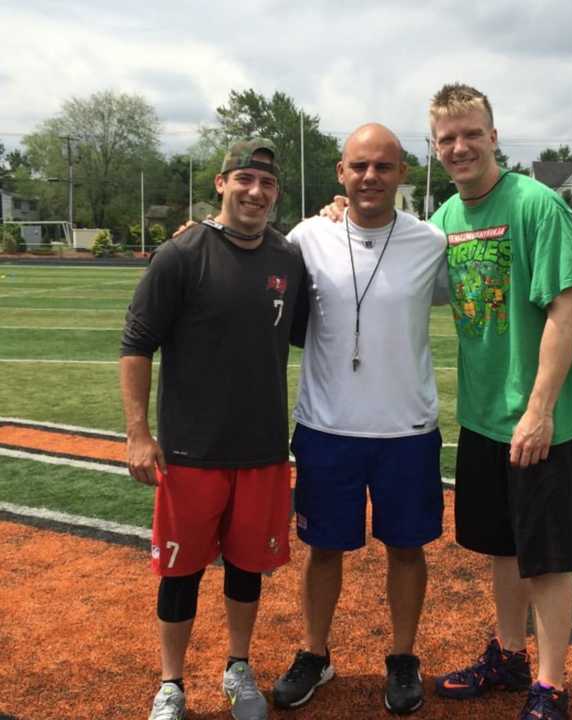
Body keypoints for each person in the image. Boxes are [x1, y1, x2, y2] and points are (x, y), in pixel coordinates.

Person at [119, 138, 308, 720]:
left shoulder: (287, 258)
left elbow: (303, 332)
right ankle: (171, 683)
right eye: (244, 179)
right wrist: (137, 433)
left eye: (267, 184)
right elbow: (135, 345)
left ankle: (238, 666)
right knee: (180, 570)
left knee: (248, 568)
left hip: (261, 449)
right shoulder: (182, 253)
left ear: (276, 194)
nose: (255, 192)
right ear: (222, 183)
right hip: (189, 450)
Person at [271, 123, 448, 715]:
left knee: (406, 548)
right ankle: (315, 654)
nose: (370, 177)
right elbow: (249, 264)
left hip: (407, 431)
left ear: (401, 174)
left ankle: (402, 658)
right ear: (341, 174)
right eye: (359, 167)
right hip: (327, 428)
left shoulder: (431, 242)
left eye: (384, 167)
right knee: (324, 550)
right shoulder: (307, 236)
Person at [428, 84, 572, 720]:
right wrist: (337, 213)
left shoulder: (537, 204)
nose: (461, 146)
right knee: (503, 547)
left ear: (494, 136)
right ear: (435, 148)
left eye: (472, 133)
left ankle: (550, 686)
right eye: (447, 138)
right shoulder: (443, 220)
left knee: (546, 558)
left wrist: (541, 407)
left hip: (539, 420)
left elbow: (565, 309)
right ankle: (507, 654)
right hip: (482, 418)